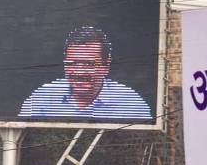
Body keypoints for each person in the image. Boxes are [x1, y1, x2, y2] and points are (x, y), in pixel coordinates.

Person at [18, 26, 151, 121]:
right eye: (72, 63)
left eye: (88, 64)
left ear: (106, 66)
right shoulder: (41, 99)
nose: (79, 72)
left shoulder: (132, 104)